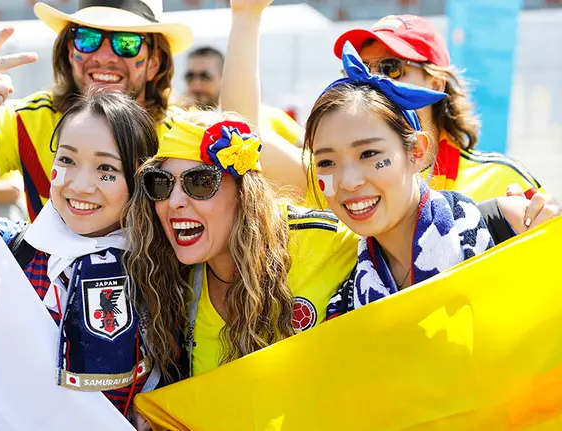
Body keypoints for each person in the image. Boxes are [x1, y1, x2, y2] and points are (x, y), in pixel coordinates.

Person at [0, 0, 305, 222]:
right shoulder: (27, 120)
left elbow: (249, 151)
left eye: (125, 42)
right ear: (69, 51)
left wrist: (246, 16)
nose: (103, 56)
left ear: (154, 62)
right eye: (87, 38)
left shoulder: (181, 132)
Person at [307, 43, 561, 318]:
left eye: (369, 153)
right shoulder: (344, 305)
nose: (348, 181)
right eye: (326, 162)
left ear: (417, 151)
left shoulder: (508, 226)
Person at [125, 110, 357, 380]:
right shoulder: (169, 282)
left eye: (199, 182)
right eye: (161, 184)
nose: (174, 201)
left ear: (244, 193)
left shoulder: (321, 239)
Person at [0, 91, 160, 427]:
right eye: (67, 160)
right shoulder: (4, 249)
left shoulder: (166, 268)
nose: (81, 185)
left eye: (106, 169)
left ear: (139, 179)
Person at [333, 14, 545, 203]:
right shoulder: (339, 179)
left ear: (435, 83)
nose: (371, 83)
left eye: (391, 68)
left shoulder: (501, 180)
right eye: (358, 70)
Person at [179, 45, 304, 147]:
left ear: (225, 77)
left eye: (205, 76)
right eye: (190, 76)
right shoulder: (180, 120)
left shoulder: (268, 116)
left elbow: (308, 154)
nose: (196, 84)